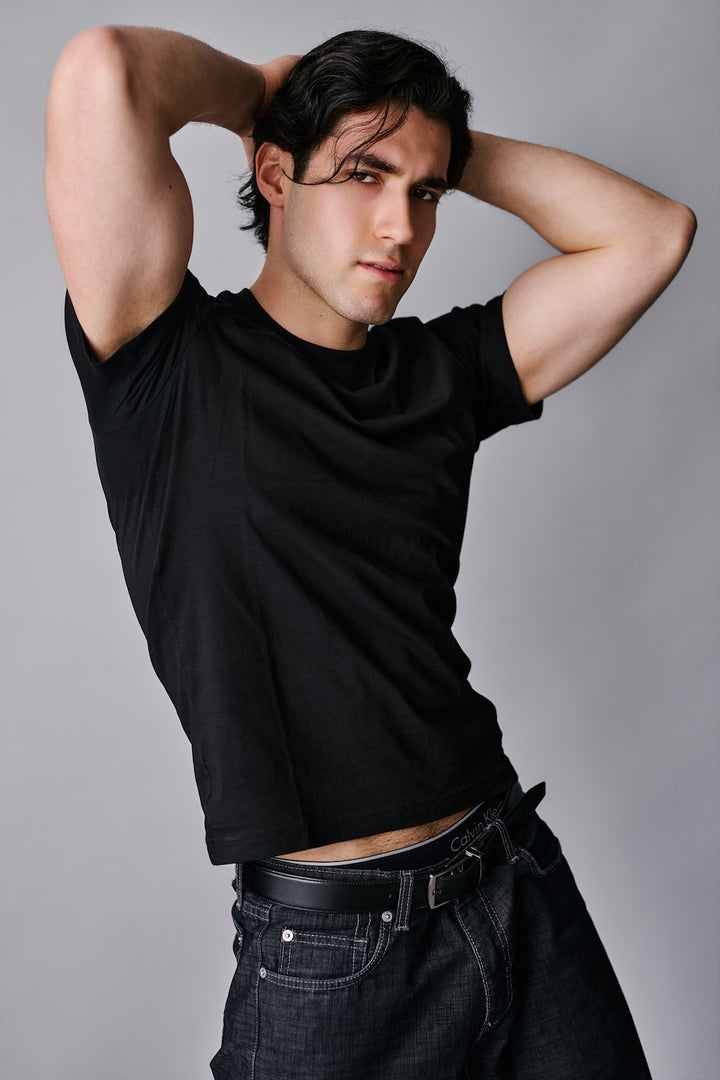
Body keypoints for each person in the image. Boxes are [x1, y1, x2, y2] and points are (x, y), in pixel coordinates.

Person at [45, 24, 695, 1079]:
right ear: (276, 174)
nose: (401, 226)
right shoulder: (165, 362)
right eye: (362, 175)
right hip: (334, 954)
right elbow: (101, 70)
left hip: (514, 883)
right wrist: (264, 92)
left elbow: (654, 234)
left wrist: (437, 143)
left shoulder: (444, 373)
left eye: (424, 193)